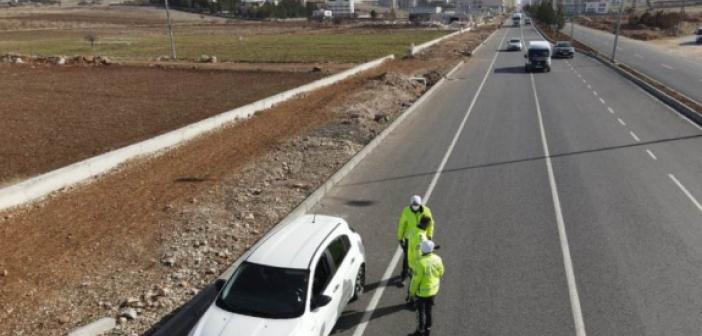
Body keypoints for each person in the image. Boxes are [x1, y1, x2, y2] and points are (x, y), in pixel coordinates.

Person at [409, 240, 444, 336]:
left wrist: (412, 292)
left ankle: (420, 331)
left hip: (422, 293)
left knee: (421, 312)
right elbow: (441, 272)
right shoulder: (438, 258)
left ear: (423, 250)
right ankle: (428, 329)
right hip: (434, 290)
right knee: (429, 310)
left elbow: (416, 280)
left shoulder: (420, 263)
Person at [397, 195, 434, 284]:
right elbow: (402, 225)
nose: (415, 206)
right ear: (411, 204)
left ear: (420, 204)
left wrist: (429, 235)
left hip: (422, 239)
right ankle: (404, 276)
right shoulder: (406, 211)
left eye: (417, 204)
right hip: (409, 239)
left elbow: (430, 223)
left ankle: (421, 274)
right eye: (414, 204)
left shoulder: (426, 211)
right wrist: (400, 238)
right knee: (407, 258)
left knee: (421, 256)